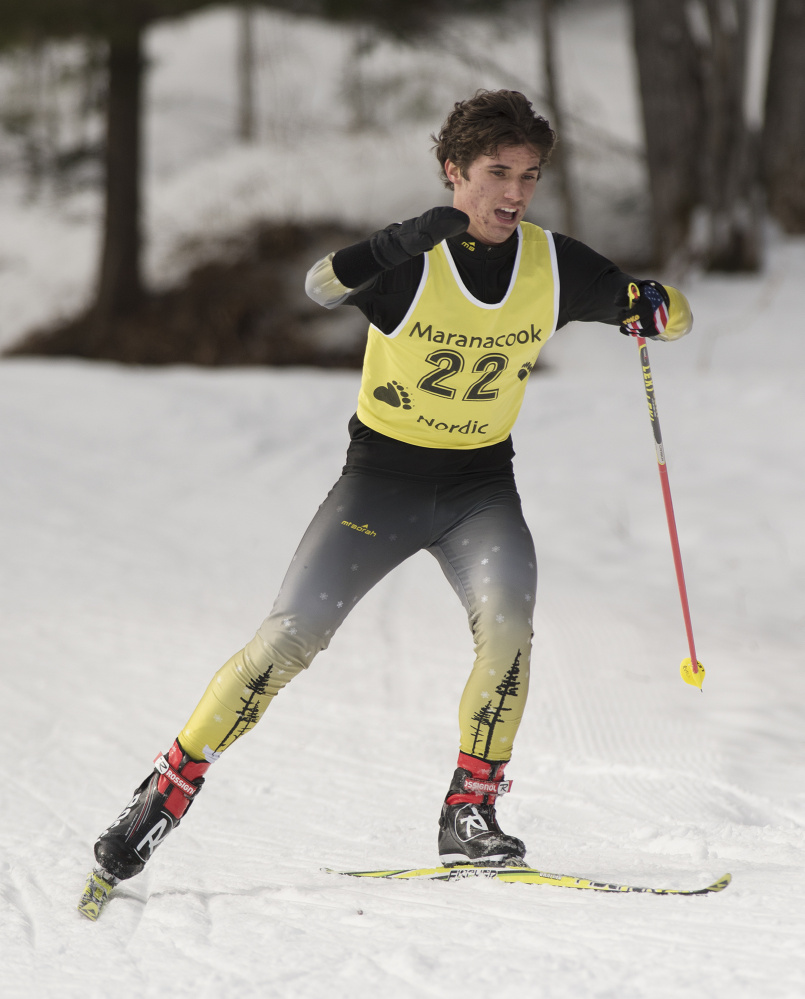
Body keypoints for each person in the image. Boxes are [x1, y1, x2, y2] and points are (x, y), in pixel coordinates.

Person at [80, 89, 692, 913]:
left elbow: (664, 312)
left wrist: (655, 308)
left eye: (530, 176)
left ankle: (469, 812)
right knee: (289, 639)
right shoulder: (414, 257)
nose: (513, 193)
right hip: (381, 484)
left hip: (479, 488)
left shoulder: (551, 265)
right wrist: (397, 240)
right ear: (453, 172)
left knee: (508, 626)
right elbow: (320, 285)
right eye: (495, 173)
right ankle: (164, 792)